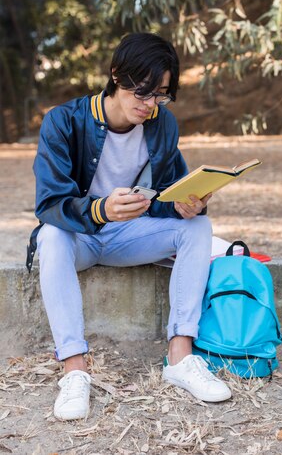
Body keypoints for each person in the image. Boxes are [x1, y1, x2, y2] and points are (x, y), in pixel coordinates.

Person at [27, 32, 232, 421]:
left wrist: (189, 206)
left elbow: (169, 194)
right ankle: (74, 371)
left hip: (129, 236)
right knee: (51, 235)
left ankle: (181, 357)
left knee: (197, 230)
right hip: (79, 238)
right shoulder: (63, 121)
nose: (151, 104)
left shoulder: (162, 123)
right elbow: (49, 205)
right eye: (143, 92)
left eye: (162, 94)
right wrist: (101, 209)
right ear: (117, 75)